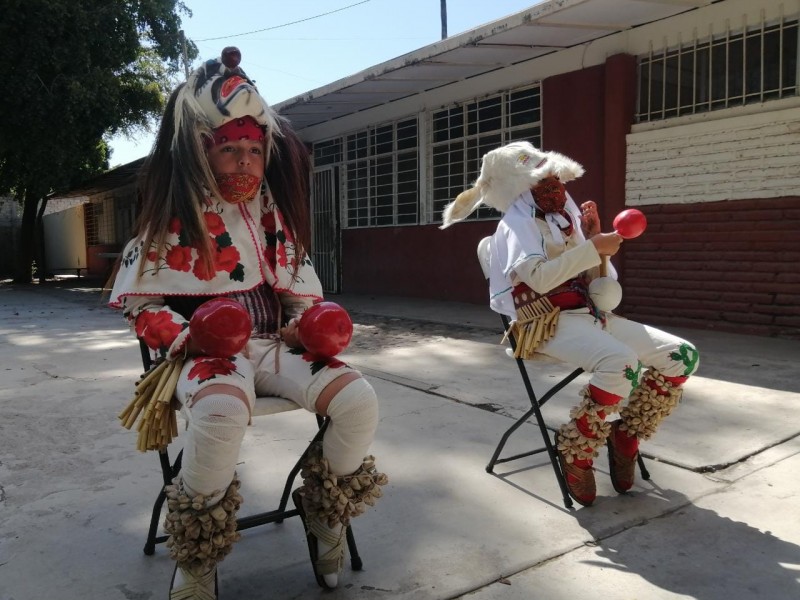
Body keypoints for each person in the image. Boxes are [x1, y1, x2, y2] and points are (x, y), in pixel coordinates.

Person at [109, 47, 387, 599]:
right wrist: (186, 335)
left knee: (359, 400)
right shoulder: (171, 222)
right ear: (201, 154)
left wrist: (306, 324)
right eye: (229, 149)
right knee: (217, 412)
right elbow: (143, 309)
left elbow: (302, 299)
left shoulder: (273, 218)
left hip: (272, 346)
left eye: (254, 150)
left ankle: (325, 510)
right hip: (203, 354)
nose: (244, 161)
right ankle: (198, 548)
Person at [440, 141, 699, 507]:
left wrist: (593, 239)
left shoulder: (568, 219)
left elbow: (601, 286)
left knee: (682, 355)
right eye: (540, 183)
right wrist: (593, 248)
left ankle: (624, 434)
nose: (553, 188)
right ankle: (576, 446)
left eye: (554, 179)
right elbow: (540, 280)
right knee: (622, 364)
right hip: (543, 323)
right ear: (518, 189)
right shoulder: (517, 225)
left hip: (590, 314)